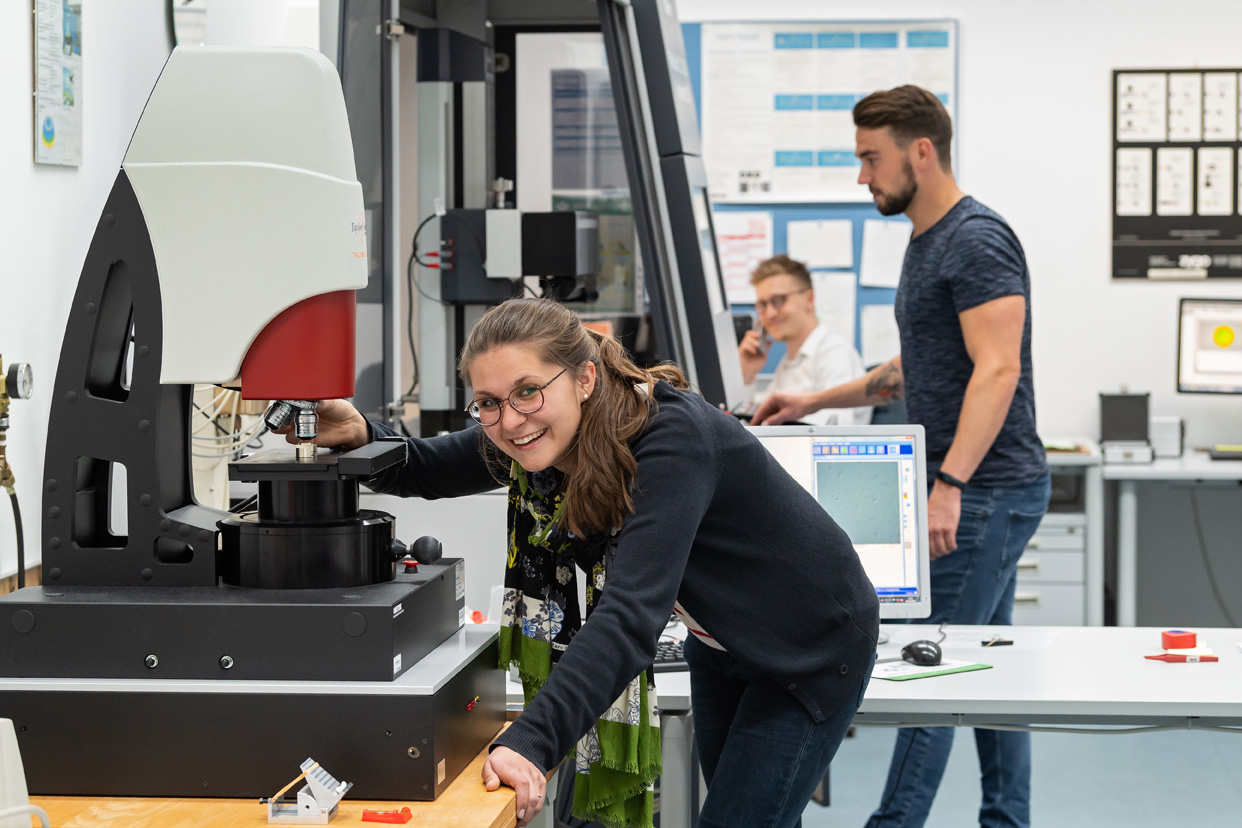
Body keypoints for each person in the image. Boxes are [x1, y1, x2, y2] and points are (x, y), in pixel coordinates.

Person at [289, 298, 879, 828]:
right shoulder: (546, 433)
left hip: (811, 644)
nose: (511, 421)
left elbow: (628, 616)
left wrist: (532, 742)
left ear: (585, 378)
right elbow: (430, 464)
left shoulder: (670, 442)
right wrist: (361, 433)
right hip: (722, 638)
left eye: (527, 391)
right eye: (488, 403)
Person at [753, 85, 1050, 828]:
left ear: (922, 150)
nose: (863, 177)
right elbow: (916, 368)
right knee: (990, 668)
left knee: (935, 665)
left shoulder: (976, 239)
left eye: (870, 159)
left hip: (986, 488)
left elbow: (997, 369)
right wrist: (810, 402)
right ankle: (1007, 818)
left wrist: (949, 484)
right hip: (977, 486)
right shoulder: (929, 242)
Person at [737, 254, 871, 425]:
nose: (769, 313)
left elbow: (837, 428)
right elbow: (753, 423)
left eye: (778, 300)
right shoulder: (788, 363)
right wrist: (747, 374)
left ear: (809, 299)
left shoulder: (834, 352)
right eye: (762, 305)